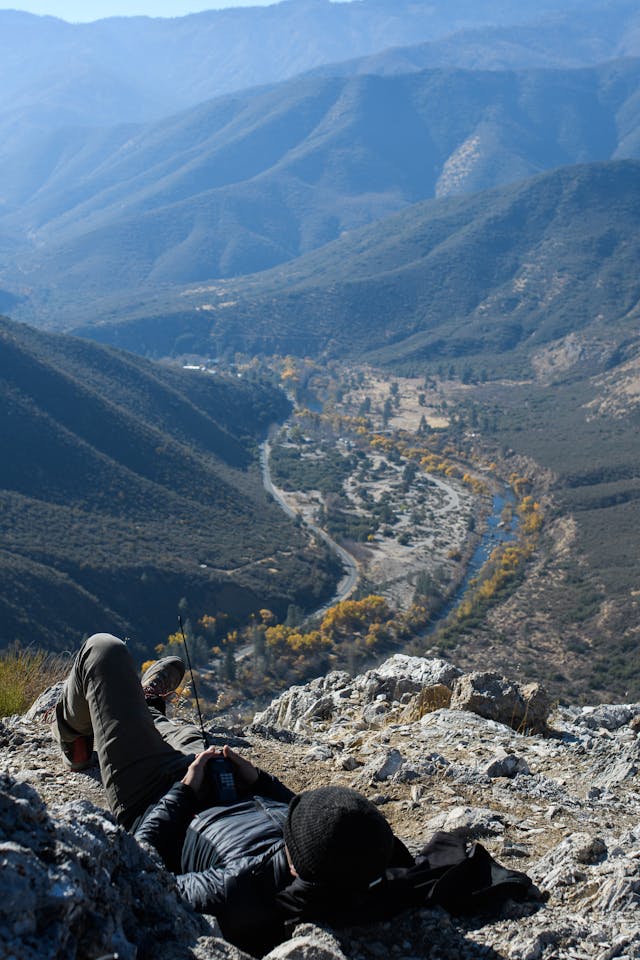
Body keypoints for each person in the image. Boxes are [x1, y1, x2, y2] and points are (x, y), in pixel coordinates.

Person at [51, 633, 411, 956]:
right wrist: (257, 779)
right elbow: (313, 828)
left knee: (104, 651)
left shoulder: (237, 888)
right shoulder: (353, 857)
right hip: (222, 779)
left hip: (154, 791)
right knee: (187, 736)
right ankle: (152, 711)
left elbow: (140, 868)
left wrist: (185, 792)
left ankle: (74, 737)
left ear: (293, 865)